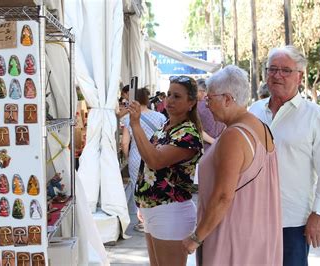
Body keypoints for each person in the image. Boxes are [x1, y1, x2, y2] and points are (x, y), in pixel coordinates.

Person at [249, 45, 320, 266]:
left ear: (299, 76)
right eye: (272, 69)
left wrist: (318, 214)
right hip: (253, 217)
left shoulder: (315, 117)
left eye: (286, 70)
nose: (277, 75)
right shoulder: (253, 112)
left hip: (293, 221)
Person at [182, 65, 283, 265]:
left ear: (227, 99)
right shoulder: (260, 127)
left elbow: (223, 196)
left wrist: (196, 237)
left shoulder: (234, 135)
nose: (207, 105)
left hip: (233, 237)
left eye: (210, 99)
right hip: (258, 234)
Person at [127, 75, 203, 266]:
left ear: (191, 103)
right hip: (154, 209)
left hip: (171, 211)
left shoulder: (188, 134)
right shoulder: (166, 127)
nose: (169, 100)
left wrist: (135, 124)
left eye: (177, 96)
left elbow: (154, 160)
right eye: (168, 94)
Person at [121, 88, 166, 232]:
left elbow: (124, 142)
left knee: (137, 187)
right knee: (154, 184)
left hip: (136, 156)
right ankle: (156, 218)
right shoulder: (160, 117)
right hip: (156, 154)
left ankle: (142, 222)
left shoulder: (129, 118)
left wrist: (128, 156)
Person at [196, 78, 226, 152]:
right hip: (222, 145)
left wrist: (214, 141)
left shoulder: (195, 107)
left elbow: (198, 130)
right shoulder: (222, 103)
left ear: (202, 91)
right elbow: (227, 124)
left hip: (205, 149)